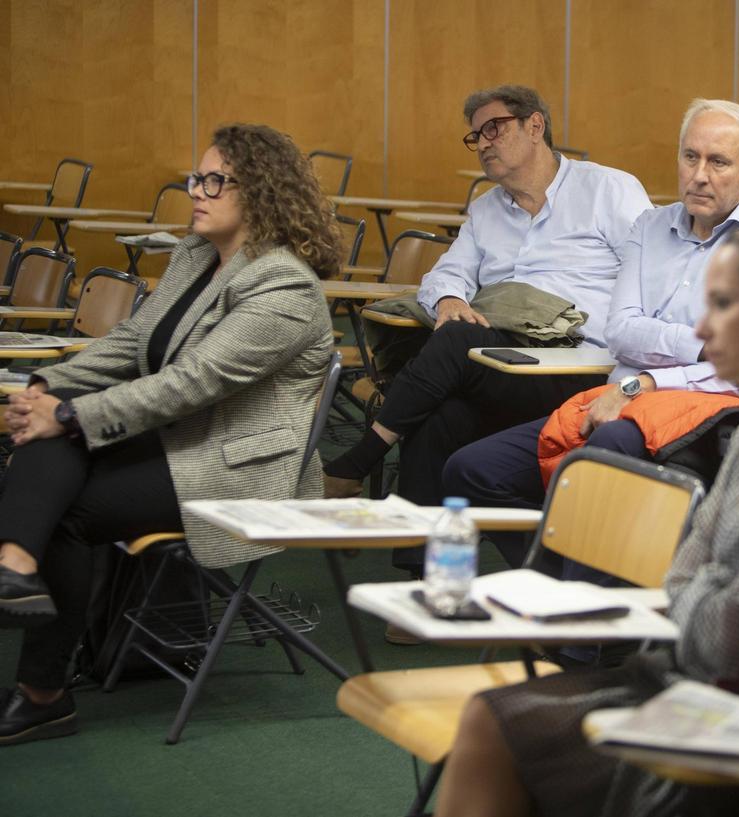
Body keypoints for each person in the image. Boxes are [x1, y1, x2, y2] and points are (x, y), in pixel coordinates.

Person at [432, 227, 739, 817]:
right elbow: (690, 583)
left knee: (504, 727)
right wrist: (706, 587)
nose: (702, 329)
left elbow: (728, 637)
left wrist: (699, 587)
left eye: (724, 305)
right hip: (704, 685)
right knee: (493, 718)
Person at [0, 123, 340, 745]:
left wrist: (72, 416)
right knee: (53, 435)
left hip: (234, 468)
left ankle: (42, 691)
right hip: (173, 439)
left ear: (261, 192)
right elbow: (131, 345)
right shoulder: (195, 256)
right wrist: (47, 390)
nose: (197, 192)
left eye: (215, 181)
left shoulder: (286, 286)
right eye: (196, 178)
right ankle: (14, 564)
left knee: (68, 500)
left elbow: (192, 382)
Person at [442, 98, 739, 568]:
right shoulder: (651, 226)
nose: (699, 175)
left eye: (719, 162)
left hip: (720, 417)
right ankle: (561, 589)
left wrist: (645, 381)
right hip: (623, 401)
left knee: (605, 452)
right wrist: (701, 344)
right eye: (690, 157)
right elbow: (622, 331)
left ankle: (580, 633)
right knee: (471, 470)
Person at [322, 85, 652, 509]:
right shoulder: (486, 210)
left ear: (535, 126)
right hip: (507, 363)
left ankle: (355, 463)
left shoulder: (608, 190)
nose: (482, 144)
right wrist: (448, 301)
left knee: (457, 341)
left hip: (582, 363)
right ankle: (423, 566)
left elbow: (654, 273)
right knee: (437, 416)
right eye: (476, 136)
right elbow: (445, 275)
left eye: (493, 129)